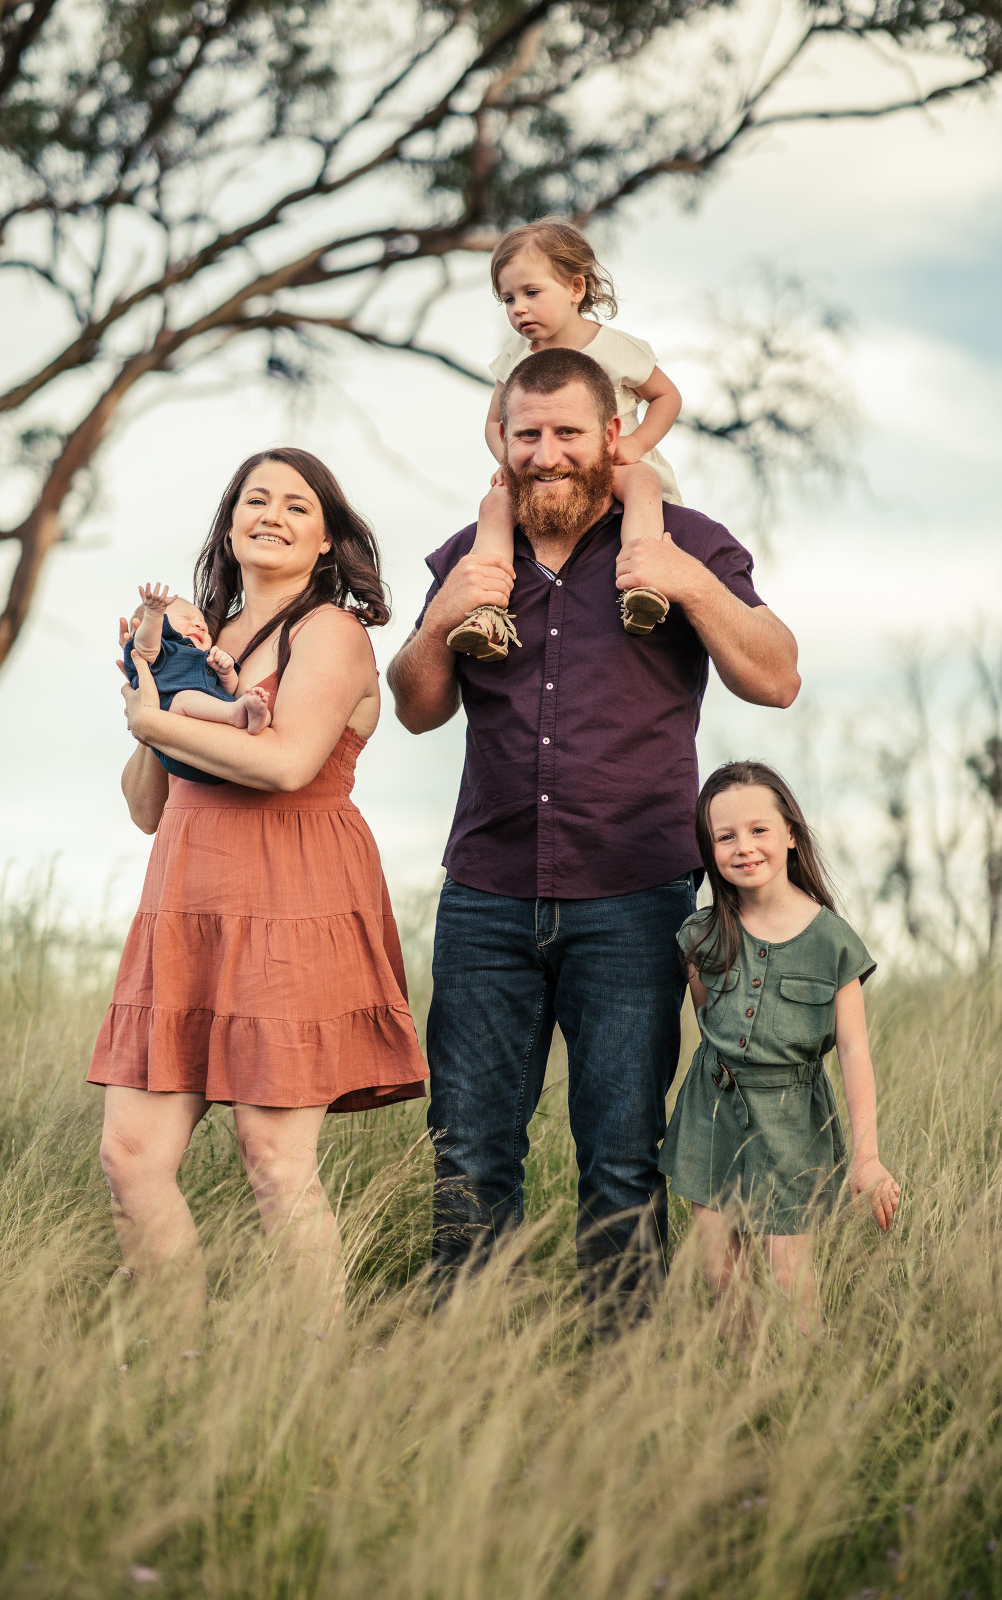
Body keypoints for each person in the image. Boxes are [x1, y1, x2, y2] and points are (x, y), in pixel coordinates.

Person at [387, 345, 801, 1306]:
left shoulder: (684, 540)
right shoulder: (469, 555)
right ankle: (466, 1357)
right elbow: (415, 708)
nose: (547, 454)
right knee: (467, 1148)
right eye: (527, 435)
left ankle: (618, 1371)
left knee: (620, 1154)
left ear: (612, 435)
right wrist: (440, 619)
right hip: (485, 895)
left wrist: (687, 582)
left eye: (567, 432)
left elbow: (777, 677)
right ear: (501, 439)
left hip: (633, 897)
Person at [90, 448, 428, 1326]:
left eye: (296, 505)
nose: (271, 515)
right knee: (131, 1156)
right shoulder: (202, 637)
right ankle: (182, 1363)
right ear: (230, 523)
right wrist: (150, 701)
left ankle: (311, 1371)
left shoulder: (331, 633)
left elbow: (285, 764)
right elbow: (146, 807)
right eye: (255, 500)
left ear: (326, 540)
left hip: (291, 900)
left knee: (274, 1158)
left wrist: (160, 719)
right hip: (186, 905)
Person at [660, 761, 900, 1333]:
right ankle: (745, 1379)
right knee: (723, 1276)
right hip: (711, 1114)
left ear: (791, 834)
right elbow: (707, 1021)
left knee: (791, 1279)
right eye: (725, 836)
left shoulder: (832, 942)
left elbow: (854, 1052)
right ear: (709, 849)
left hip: (794, 1124)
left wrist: (866, 1158)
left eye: (759, 829)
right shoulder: (700, 934)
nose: (744, 847)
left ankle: (805, 1375)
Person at [448, 217, 683, 661]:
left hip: (614, 468)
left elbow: (667, 396)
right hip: (547, 477)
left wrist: (636, 444)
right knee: (494, 504)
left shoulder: (614, 348)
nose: (519, 309)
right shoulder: (514, 359)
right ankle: (487, 613)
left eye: (531, 293)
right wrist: (508, 462)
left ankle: (642, 585)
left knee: (643, 481)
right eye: (508, 299)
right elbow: (495, 425)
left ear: (576, 288)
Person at [121, 582, 272, 787]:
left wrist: (226, 672)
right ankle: (237, 714)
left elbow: (227, 689)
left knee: (248, 702)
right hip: (178, 745)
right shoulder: (159, 652)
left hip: (222, 754)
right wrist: (153, 614)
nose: (200, 625)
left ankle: (257, 718)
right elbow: (145, 644)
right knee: (183, 699)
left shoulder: (205, 657)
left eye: (203, 625)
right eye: (187, 618)